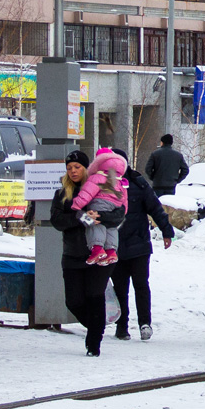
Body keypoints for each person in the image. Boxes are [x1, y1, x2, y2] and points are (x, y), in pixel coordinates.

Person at [51, 150, 122, 357]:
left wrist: (99, 216)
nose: (73, 171)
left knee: (94, 295)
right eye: (69, 168)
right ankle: (96, 326)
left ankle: (93, 344)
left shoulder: (102, 186)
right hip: (73, 254)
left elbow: (119, 214)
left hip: (100, 254)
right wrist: (81, 217)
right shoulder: (62, 194)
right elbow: (57, 221)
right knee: (73, 301)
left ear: (86, 168)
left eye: (77, 167)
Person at [110, 148, 174, 342]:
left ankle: (144, 323)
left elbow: (154, 207)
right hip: (115, 245)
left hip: (139, 245)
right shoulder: (103, 185)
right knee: (120, 288)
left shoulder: (138, 183)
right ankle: (121, 327)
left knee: (141, 285)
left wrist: (166, 230)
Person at [71, 150, 129, 266]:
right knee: (111, 227)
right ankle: (111, 251)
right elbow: (125, 201)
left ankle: (97, 248)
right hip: (115, 206)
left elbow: (87, 193)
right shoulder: (121, 181)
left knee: (96, 223)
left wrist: (76, 205)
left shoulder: (97, 177)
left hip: (100, 203)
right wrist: (123, 211)